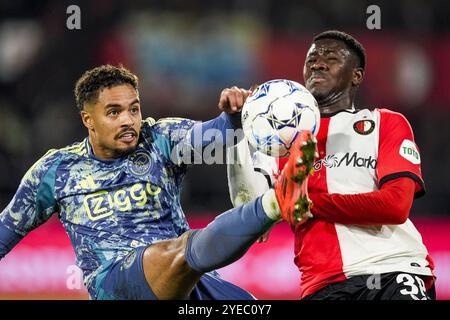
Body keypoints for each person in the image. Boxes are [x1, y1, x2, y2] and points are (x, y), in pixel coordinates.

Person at [0, 64, 316, 300]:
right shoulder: (56, 170)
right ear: (88, 119)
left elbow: (214, 139)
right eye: (113, 112)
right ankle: (275, 201)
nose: (128, 120)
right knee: (180, 249)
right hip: (116, 283)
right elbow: (4, 233)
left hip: (187, 276)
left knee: (246, 304)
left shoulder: (160, 139)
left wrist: (233, 118)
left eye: (133, 109)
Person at [227, 30, 436, 300]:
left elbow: (395, 205)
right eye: (311, 58)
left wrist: (306, 204)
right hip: (323, 285)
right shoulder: (278, 141)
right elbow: (253, 222)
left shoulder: (384, 123)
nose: (318, 62)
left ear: (356, 75)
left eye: (331, 57)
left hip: (393, 269)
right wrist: (238, 127)